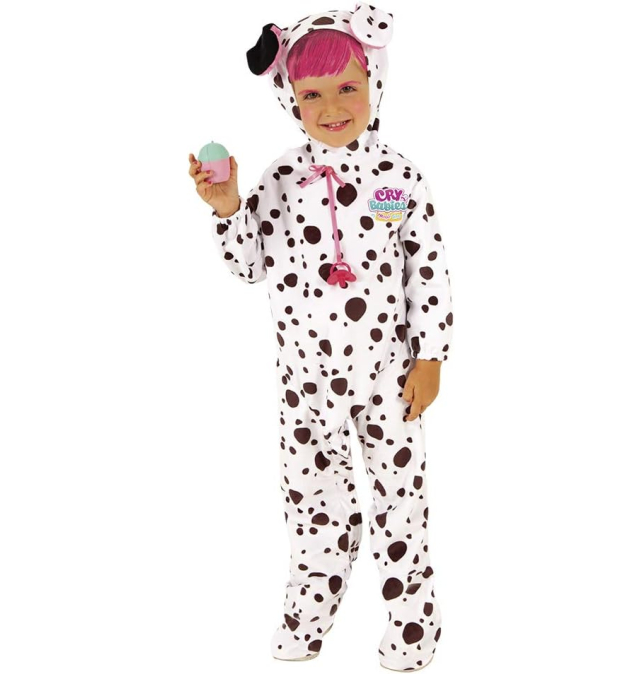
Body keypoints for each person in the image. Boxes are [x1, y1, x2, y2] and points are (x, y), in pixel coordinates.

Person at [188, 4, 454, 671]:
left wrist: (431, 357)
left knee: (401, 505)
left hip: (390, 380)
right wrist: (228, 208)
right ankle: (308, 615)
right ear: (289, 98)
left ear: (374, 84)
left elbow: (427, 270)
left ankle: (413, 627)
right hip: (304, 387)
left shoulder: (399, 176)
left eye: (347, 88)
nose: (331, 107)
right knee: (311, 507)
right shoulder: (281, 178)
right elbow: (247, 267)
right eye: (311, 95)